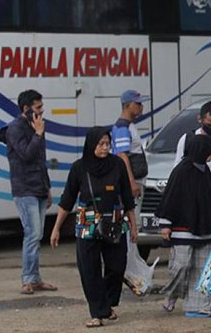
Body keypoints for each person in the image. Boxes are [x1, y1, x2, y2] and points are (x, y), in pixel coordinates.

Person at [50, 127, 138, 328]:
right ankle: (98, 313)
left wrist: (133, 226)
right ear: (91, 145)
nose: (105, 148)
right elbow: (67, 200)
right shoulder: (79, 168)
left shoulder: (117, 165)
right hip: (87, 223)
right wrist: (56, 228)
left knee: (116, 267)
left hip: (115, 221)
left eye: (108, 144)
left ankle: (106, 304)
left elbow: (127, 197)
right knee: (89, 270)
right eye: (101, 144)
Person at [157, 134, 211, 318]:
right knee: (182, 265)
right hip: (182, 228)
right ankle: (171, 295)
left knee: (201, 268)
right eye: (210, 151)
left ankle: (197, 305)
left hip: (205, 227)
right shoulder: (181, 171)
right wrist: (166, 225)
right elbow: (170, 198)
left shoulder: (205, 170)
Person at [0, 89, 56, 295]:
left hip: (39, 186)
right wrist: (38, 134)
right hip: (24, 188)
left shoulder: (37, 125)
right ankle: (28, 279)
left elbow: (41, 159)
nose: (42, 110)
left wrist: (47, 187)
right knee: (32, 233)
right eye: (38, 107)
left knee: (37, 233)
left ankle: (35, 277)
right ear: (26, 108)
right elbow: (26, 155)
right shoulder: (15, 129)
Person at [111, 90, 149, 217]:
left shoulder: (129, 125)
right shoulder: (123, 127)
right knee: (131, 219)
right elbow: (122, 155)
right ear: (127, 105)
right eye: (138, 104)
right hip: (132, 181)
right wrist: (131, 182)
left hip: (137, 179)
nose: (141, 107)